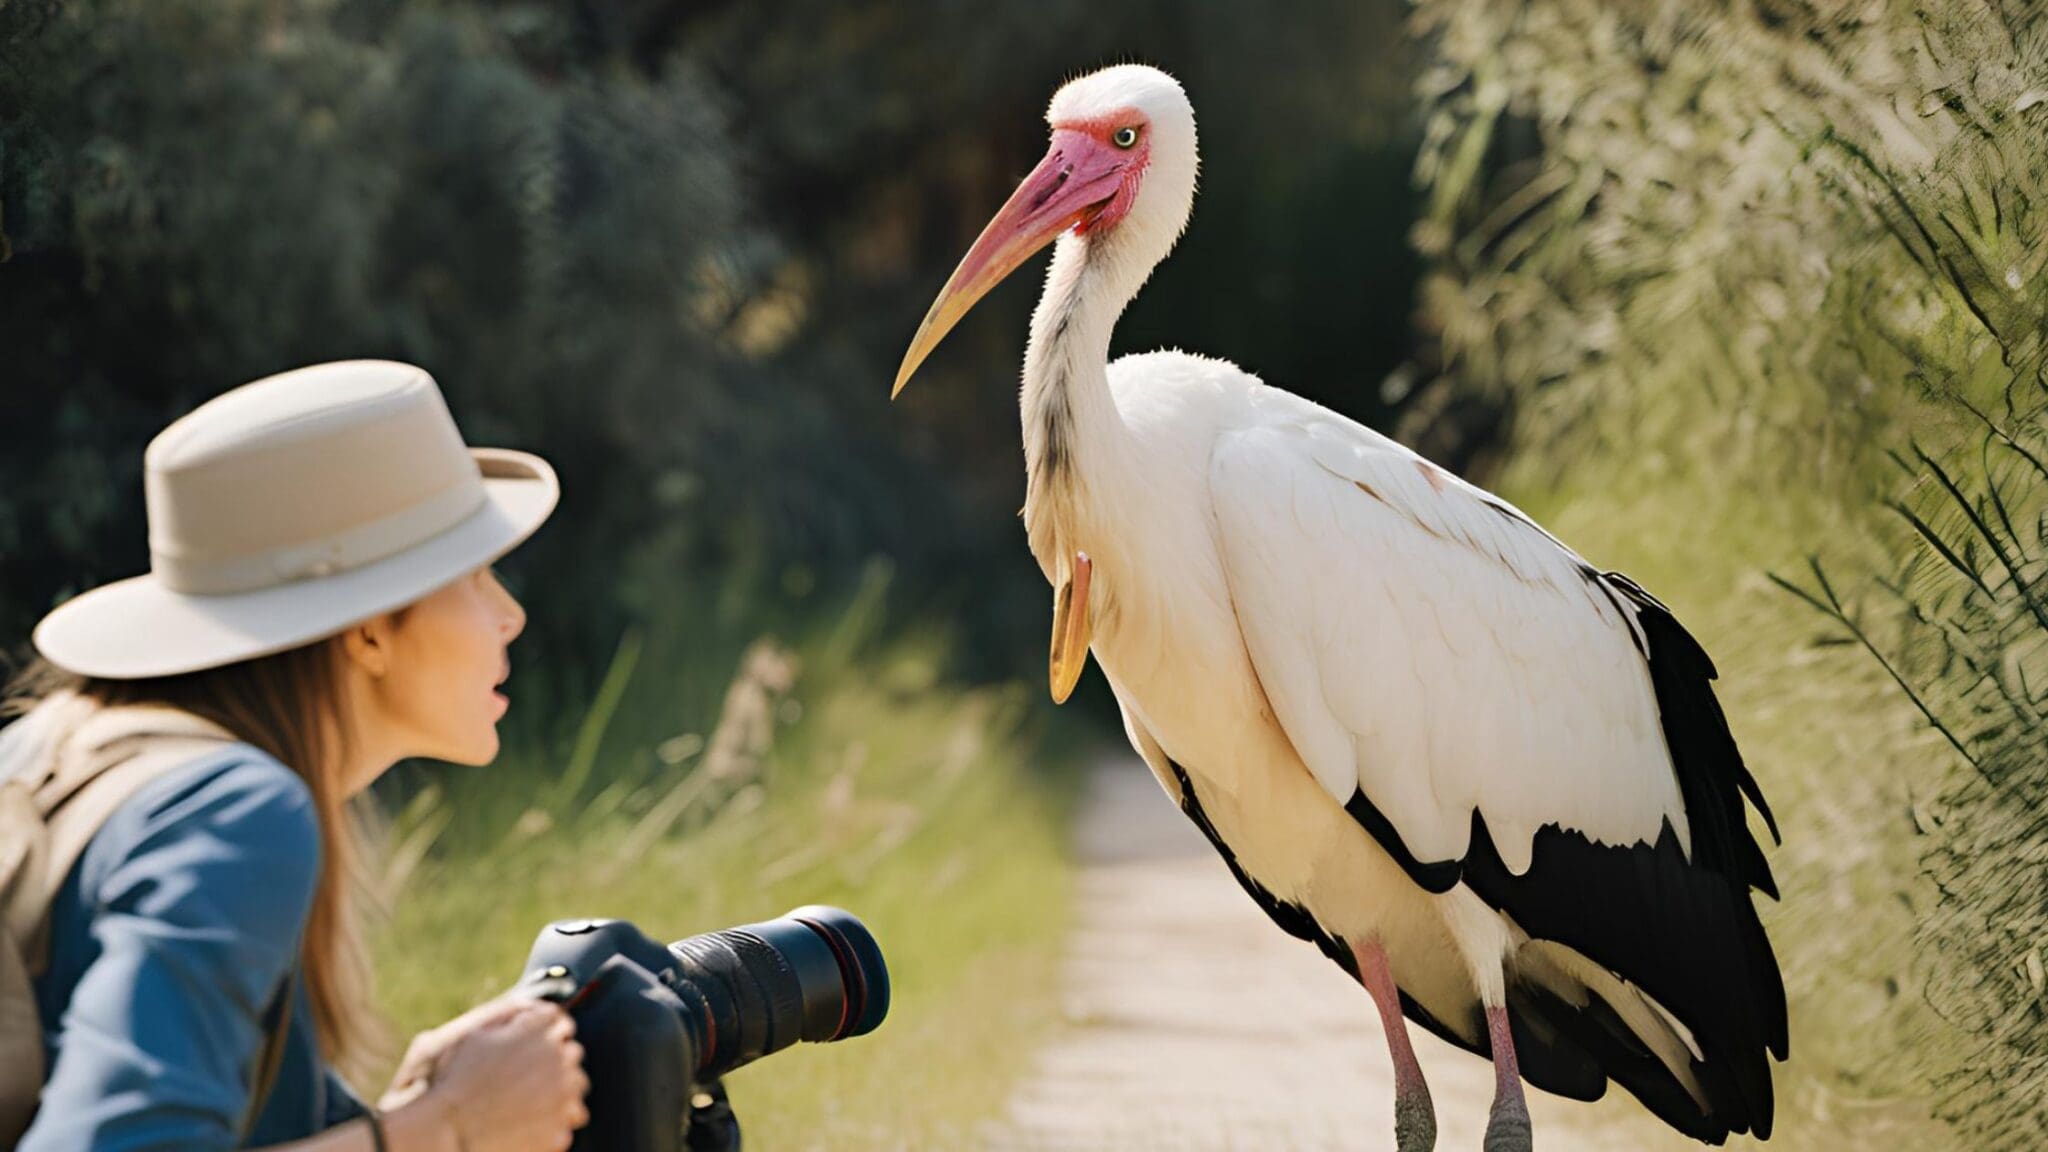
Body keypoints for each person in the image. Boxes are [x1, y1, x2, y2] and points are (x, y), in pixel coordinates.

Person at [3, 361, 591, 1150]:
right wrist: (440, 1129)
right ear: (372, 627)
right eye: (477, 574)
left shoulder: (53, 748)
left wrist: (371, 1116)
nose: (510, 615)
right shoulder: (232, 811)